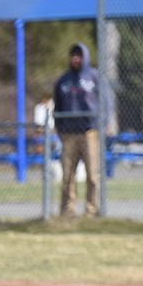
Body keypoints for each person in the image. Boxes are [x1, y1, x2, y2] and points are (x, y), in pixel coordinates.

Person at [52, 42, 100, 217]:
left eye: (79, 55)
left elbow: (106, 102)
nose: (75, 58)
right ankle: (67, 210)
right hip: (69, 135)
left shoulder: (94, 77)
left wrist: (102, 123)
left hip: (89, 132)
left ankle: (92, 210)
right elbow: (57, 106)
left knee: (93, 175)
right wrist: (60, 128)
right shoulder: (63, 81)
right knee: (67, 176)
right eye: (73, 55)